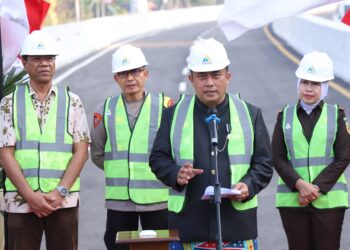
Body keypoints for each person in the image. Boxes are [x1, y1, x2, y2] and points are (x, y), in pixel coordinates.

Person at [149, 38, 273, 249]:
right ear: (191, 79)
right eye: (202, 76)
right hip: (189, 226)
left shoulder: (250, 113)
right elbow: (158, 158)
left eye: (216, 75)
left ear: (228, 77)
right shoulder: (173, 115)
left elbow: (264, 163)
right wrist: (175, 174)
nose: (209, 82)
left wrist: (249, 185)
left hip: (237, 228)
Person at [0, 30, 90, 250]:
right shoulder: (9, 103)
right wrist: (30, 196)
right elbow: (4, 152)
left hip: (62, 202)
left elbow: (81, 151)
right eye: (37, 58)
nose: (44, 64)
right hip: (20, 203)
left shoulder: (73, 102)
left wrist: (60, 192)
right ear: (24, 62)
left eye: (49, 58)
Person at [90, 44, 173, 250]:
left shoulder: (166, 107)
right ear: (115, 78)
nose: (130, 78)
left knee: (159, 248)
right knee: (117, 246)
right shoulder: (105, 110)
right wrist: (123, 170)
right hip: (119, 202)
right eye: (123, 73)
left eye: (135, 72)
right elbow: (98, 154)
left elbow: (175, 151)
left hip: (157, 201)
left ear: (145, 74)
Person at [272, 51, 350, 250]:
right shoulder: (285, 115)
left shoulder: (337, 116)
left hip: (329, 201)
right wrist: (299, 185)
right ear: (298, 83)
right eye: (304, 82)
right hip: (293, 201)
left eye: (315, 84)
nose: (309, 88)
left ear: (324, 87)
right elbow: (278, 157)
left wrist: (314, 188)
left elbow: (343, 157)